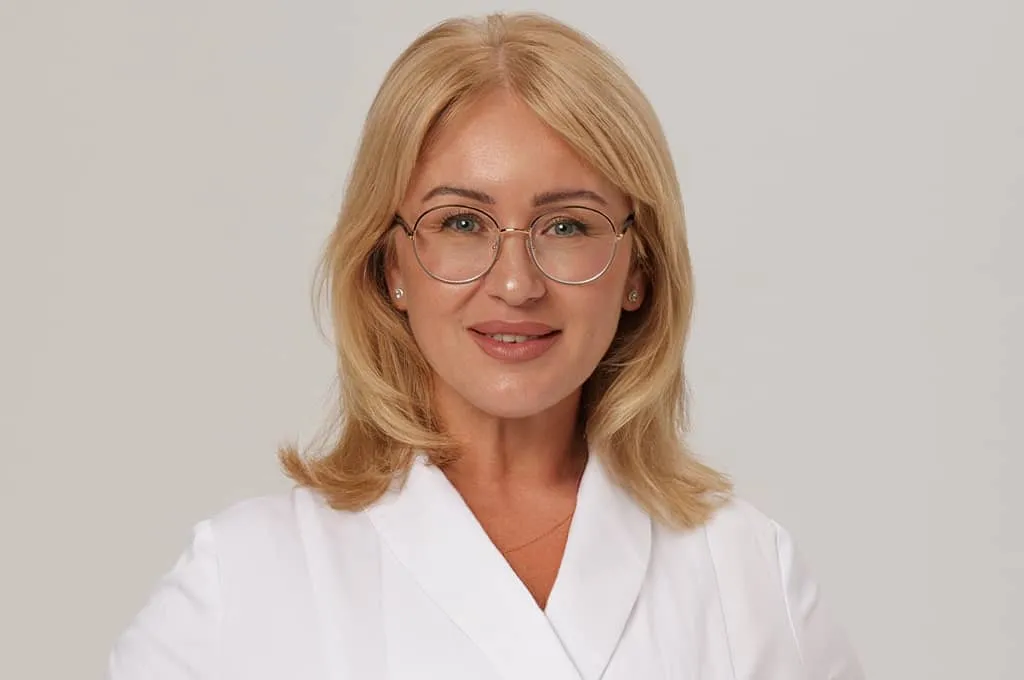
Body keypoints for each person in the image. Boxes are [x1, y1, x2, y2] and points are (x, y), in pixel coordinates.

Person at [109, 11, 863, 680]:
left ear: (638, 270)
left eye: (567, 226)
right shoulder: (244, 581)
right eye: (462, 223)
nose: (515, 284)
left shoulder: (747, 576)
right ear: (390, 265)